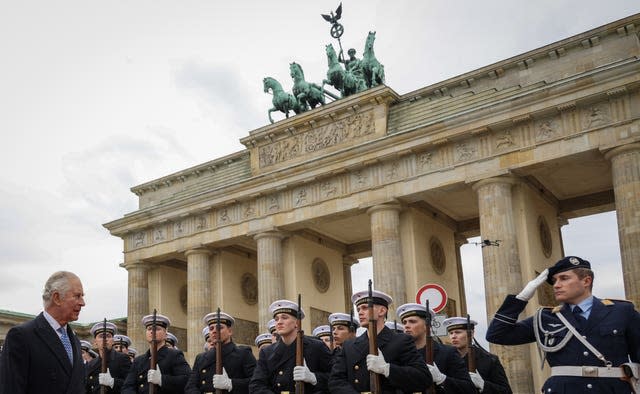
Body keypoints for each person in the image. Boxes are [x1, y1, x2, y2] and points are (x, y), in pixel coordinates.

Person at [486, 256, 640, 393]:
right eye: (554, 281)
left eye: (564, 278)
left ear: (586, 281)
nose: (556, 285)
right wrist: (521, 298)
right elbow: (497, 335)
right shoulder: (545, 318)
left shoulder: (621, 311)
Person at [0, 271, 86, 394]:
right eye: (77, 296)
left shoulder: (74, 340)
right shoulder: (22, 336)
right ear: (57, 298)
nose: (82, 302)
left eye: (82, 296)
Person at [328, 290, 429, 393]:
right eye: (358, 309)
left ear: (382, 311)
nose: (360, 312)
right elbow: (335, 380)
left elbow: (423, 377)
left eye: (365, 308)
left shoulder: (401, 341)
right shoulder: (349, 346)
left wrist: (387, 369)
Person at [250, 299, 332, 393]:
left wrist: (314, 378)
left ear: (297, 323)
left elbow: (334, 378)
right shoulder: (267, 352)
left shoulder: (316, 347)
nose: (279, 322)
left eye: (284, 318)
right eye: (276, 319)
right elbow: (256, 385)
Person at [396, 303, 475, 393]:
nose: (406, 326)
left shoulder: (447, 353)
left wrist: (442, 380)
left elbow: (469, 389)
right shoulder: (399, 355)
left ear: (427, 325)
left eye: (412, 321)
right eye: (404, 322)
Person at [185, 311, 256, 394]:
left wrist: (231, 383)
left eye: (219, 327)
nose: (214, 331)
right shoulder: (201, 358)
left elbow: (255, 381)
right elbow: (190, 387)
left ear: (230, 331)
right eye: (211, 329)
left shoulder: (243, 353)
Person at [121, 314, 190, 393]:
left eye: (157, 329)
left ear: (165, 335)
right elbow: (127, 387)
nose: (152, 331)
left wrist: (161, 379)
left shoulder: (174, 355)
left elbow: (186, 380)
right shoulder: (139, 361)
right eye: (149, 329)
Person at [442, 316, 512, 394]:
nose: (453, 336)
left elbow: (506, 391)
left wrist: (483, 385)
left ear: (471, 334)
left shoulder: (489, 360)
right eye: (451, 333)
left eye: (458, 332)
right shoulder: (446, 359)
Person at [85, 321, 131, 393]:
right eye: (101, 336)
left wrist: (113, 382)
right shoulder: (91, 364)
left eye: (108, 336)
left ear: (113, 341)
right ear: (95, 342)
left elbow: (130, 384)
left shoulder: (122, 359)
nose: (105, 339)